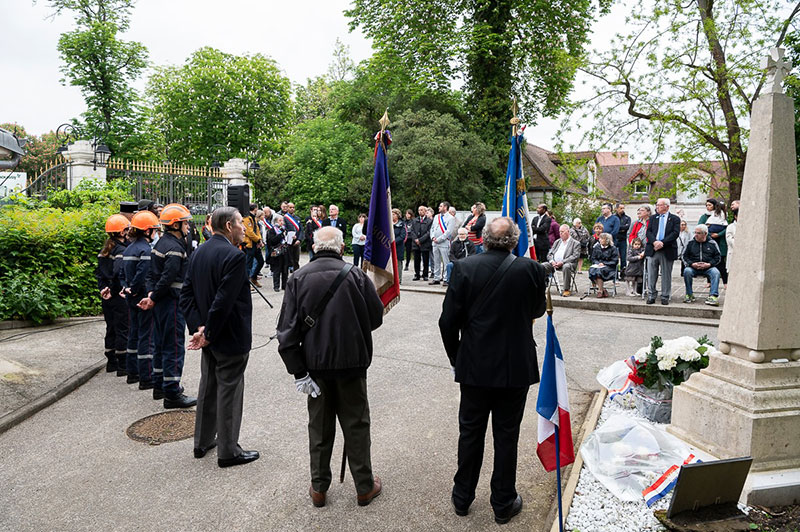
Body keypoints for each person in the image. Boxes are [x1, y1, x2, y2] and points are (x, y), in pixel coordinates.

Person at [438, 217, 546, 525]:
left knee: (470, 433)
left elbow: (447, 322)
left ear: (483, 238)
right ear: (515, 241)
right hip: (515, 367)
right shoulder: (532, 270)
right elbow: (537, 310)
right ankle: (502, 502)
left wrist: (457, 359)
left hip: (474, 366)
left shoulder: (464, 267)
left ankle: (462, 498)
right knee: (506, 435)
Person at [276, 226, 384, 508]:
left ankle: (319, 488)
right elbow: (375, 318)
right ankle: (363, 486)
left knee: (319, 428)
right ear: (341, 248)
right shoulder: (357, 275)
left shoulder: (298, 278)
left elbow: (286, 333)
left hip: (315, 366)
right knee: (357, 425)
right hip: (352, 365)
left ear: (314, 247)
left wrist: (298, 371)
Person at [180, 206, 259, 468]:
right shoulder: (234, 257)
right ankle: (228, 451)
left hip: (208, 335)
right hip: (228, 337)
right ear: (228, 226)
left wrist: (198, 328)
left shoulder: (198, 252)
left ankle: (201, 442)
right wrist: (208, 332)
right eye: (240, 223)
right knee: (229, 391)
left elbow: (187, 296)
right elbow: (223, 302)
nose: (244, 228)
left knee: (208, 387)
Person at [137, 204, 198, 409]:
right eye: (186, 223)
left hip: (161, 302)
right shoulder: (174, 248)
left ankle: (160, 385)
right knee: (172, 346)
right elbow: (168, 278)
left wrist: (151, 295)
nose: (188, 226)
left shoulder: (161, 244)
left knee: (160, 344)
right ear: (176, 225)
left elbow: (151, 276)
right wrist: (154, 296)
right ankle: (172, 392)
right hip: (171, 302)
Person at [121, 210, 160, 389]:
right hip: (142, 297)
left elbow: (122, 273)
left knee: (133, 335)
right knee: (146, 337)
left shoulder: (128, 248)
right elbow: (143, 274)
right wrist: (136, 290)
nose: (155, 233)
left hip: (131, 297)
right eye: (154, 230)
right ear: (147, 231)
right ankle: (146, 377)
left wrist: (127, 288)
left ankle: (132, 372)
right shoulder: (145, 250)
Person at [96, 214, 130, 375]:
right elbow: (118, 272)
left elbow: (99, 273)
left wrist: (103, 288)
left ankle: (111, 362)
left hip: (107, 296)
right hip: (118, 295)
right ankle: (122, 364)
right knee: (123, 328)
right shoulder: (121, 250)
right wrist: (114, 287)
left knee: (111, 328)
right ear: (122, 232)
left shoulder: (105, 250)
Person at [645, 198, 681, 305]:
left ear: (666, 206)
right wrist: (655, 242)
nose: (657, 207)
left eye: (659, 205)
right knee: (651, 274)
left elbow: (675, 233)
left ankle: (665, 295)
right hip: (653, 249)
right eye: (656, 205)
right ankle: (651, 295)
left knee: (666, 274)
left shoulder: (674, 219)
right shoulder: (653, 218)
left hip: (667, 249)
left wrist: (662, 243)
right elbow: (649, 232)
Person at [682, 224, 722, 306]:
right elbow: (684, 256)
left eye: (698, 233)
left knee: (716, 273)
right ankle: (689, 294)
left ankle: (713, 296)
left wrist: (709, 264)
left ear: (705, 234)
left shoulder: (712, 243)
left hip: (708, 267)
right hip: (693, 267)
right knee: (687, 271)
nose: (695, 235)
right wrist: (692, 264)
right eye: (695, 232)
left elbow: (718, 257)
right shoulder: (690, 243)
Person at [698, 198, 728, 287]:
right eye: (706, 205)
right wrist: (710, 234)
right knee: (709, 260)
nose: (708, 207)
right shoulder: (704, 216)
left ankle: (725, 282)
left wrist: (718, 234)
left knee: (721, 262)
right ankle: (709, 281)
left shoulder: (722, 215)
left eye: (710, 205)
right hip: (709, 240)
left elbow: (727, 228)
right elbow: (700, 226)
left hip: (720, 241)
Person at [543, 224, 580, 297]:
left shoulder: (575, 243)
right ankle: (540, 286)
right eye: (559, 232)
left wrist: (562, 262)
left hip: (569, 264)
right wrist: (552, 261)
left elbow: (575, 256)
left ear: (568, 232)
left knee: (566, 266)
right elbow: (549, 254)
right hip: (554, 264)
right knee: (542, 266)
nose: (560, 234)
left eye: (562, 232)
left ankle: (566, 289)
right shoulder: (557, 242)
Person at [430, 201, 457, 285]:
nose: (439, 207)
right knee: (436, 260)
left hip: (444, 242)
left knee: (445, 261)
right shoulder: (436, 217)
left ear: (445, 207)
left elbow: (448, 231)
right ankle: (436, 278)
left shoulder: (451, 218)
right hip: (435, 242)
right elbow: (432, 228)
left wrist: (440, 239)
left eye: (440, 206)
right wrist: (433, 237)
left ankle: (446, 278)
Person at [588, 232, 619, 298]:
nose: (600, 240)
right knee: (591, 270)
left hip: (609, 267)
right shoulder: (597, 247)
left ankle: (600, 291)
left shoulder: (613, 248)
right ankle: (602, 289)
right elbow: (593, 258)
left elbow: (615, 261)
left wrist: (604, 264)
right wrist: (598, 263)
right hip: (598, 266)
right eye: (600, 238)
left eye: (602, 239)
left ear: (607, 240)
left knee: (598, 272)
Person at [267, 215, 290, 292]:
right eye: (280, 221)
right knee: (277, 269)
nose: (282, 222)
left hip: (284, 251)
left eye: (282, 221)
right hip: (276, 252)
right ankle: (276, 286)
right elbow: (272, 240)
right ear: (276, 221)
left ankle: (284, 285)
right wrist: (281, 235)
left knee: (285, 269)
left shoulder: (284, 229)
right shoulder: (272, 230)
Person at [243, 203, 263, 287]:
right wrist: (258, 239)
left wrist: (260, 240)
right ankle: (247, 283)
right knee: (248, 264)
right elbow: (249, 232)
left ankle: (253, 278)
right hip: (249, 244)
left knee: (261, 261)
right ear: (255, 209)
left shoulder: (254, 218)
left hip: (256, 244)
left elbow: (257, 229)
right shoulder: (247, 218)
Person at [411, 205, 433, 281]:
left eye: (422, 210)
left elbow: (428, 233)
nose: (420, 211)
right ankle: (417, 274)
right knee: (416, 260)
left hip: (425, 243)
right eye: (419, 210)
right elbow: (412, 231)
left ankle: (425, 274)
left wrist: (420, 240)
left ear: (425, 211)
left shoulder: (429, 221)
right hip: (415, 243)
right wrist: (416, 240)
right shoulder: (414, 220)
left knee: (425, 260)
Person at [284, 202, 304, 272]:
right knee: (289, 259)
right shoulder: (285, 218)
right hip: (289, 241)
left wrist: (299, 239)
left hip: (297, 241)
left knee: (296, 259)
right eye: (290, 207)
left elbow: (301, 229)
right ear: (287, 208)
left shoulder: (297, 218)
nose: (292, 209)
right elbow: (285, 229)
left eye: (293, 207)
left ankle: (297, 273)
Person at [614, 204, 631, 279]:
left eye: (623, 208)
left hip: (623, 240)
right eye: (621, 208)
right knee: (614, 258)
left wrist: (618, 227)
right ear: (617, 209)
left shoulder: (627, 218)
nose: (622, 210)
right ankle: (615, 275)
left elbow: (627, 227)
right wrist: (620, 228)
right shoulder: (613, 218)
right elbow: (614, 227)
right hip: (615, 239)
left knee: (623, 258)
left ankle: (623, 275)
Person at [392, 208, 407, 283]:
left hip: (398, 247)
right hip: (388, 247)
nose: (392, 215)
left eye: (394, 214)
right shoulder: (388, 224)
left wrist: (394, 241)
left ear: (397, 215)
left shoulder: (402, 224)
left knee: (398, 264)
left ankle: (398, 280)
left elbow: (402, 236)